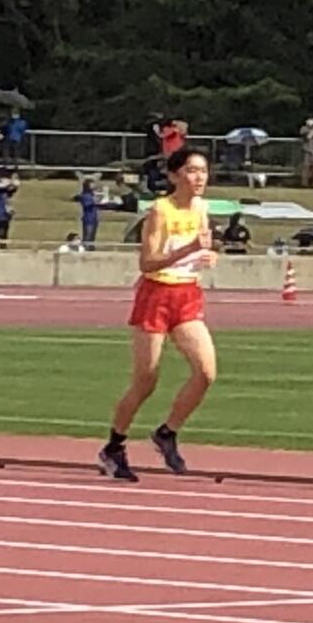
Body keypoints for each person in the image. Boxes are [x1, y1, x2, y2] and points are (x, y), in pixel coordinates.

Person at [98, 148, 218, 482]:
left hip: (187, 295)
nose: (199, 177)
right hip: (156, 295)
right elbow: (147, 262)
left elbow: (203, 247)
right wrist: (189, 249)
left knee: (206, 372)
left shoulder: (202, 208)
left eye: (203, 171)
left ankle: (167, 432)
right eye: (192, 170)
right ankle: (114, 446)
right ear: (174, 175)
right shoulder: (160, 211)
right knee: (146, 380)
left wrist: (208, 256)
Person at [0, 169, 19, 248]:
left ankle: (2, 245)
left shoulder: (6, 192)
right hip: (0, 215)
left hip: (5, 214)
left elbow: (13, 188)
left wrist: (12, 181)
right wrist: (11, 182)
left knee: (4, 231)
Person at [74, 179, 99, 250]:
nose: (94, 186)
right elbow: (87, 204)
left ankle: (91, 249)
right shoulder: (85, 195)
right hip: (88, 219)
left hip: (94, 219)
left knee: (92, 237)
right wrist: (94, 201)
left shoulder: (92, 195)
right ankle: (85, 249)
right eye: (92, 184)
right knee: (88, 237)